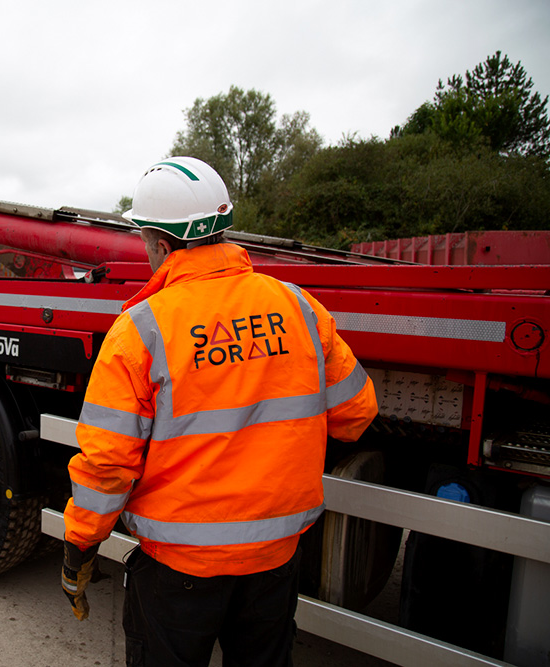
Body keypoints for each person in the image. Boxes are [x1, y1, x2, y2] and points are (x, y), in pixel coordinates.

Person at [60, 157, 378, 666]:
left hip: (177, 572)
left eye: (144, 240)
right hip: (274, 561)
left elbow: (107, 465)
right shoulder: (298, 307)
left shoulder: (141, 330)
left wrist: (79, 544)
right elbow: (356, 413)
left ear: (163, 246)